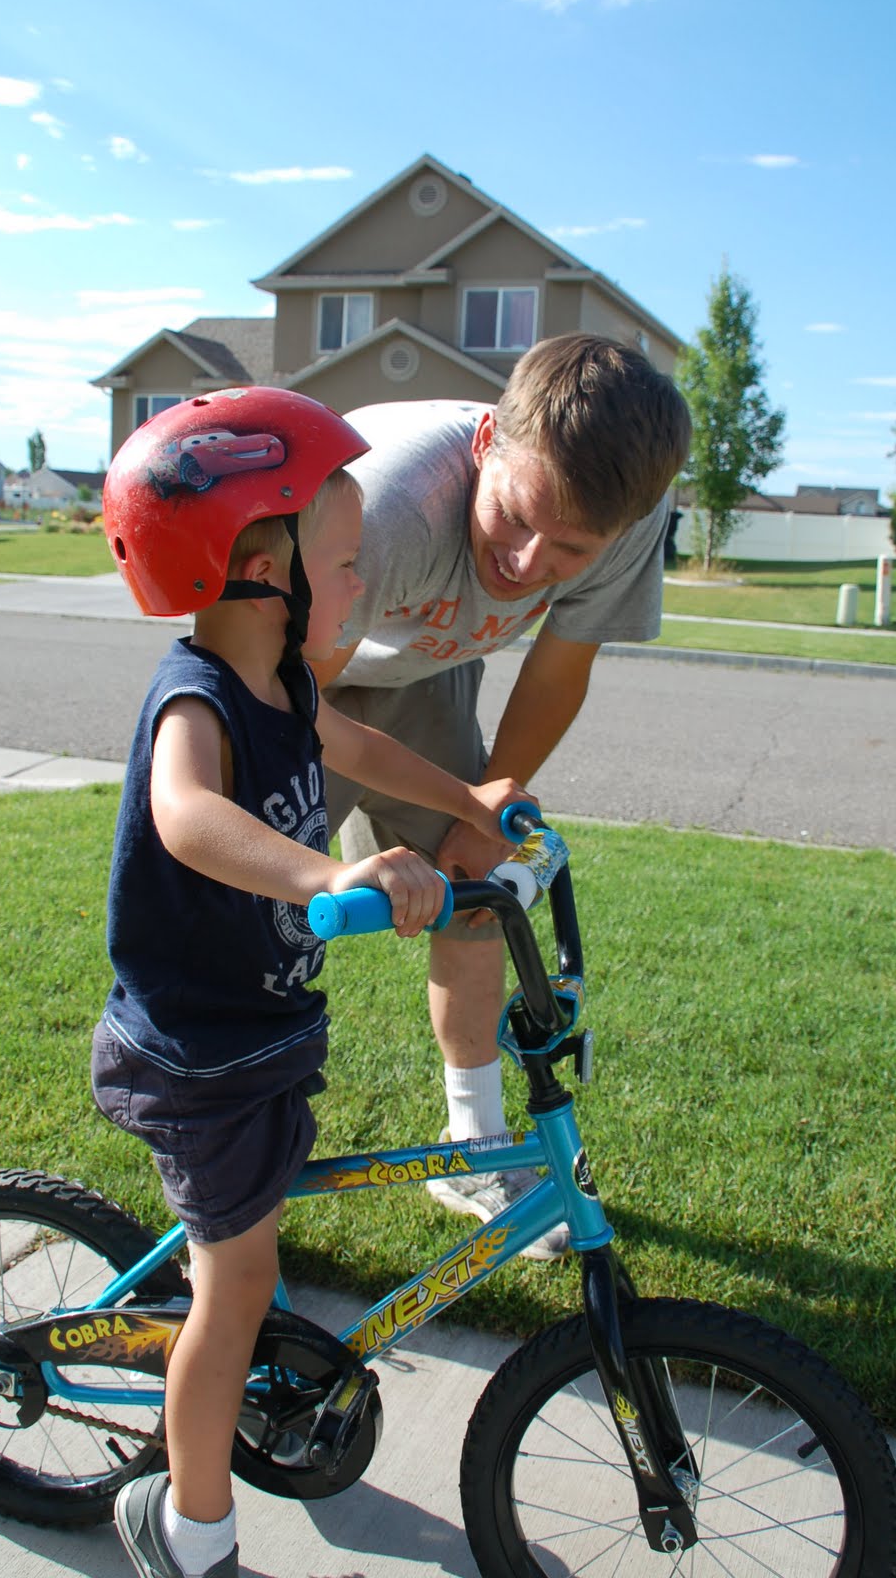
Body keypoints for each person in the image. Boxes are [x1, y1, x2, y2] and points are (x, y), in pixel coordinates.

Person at [91, 387, 531, 1578]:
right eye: (345, 564)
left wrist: (465, 802)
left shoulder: (288, 689)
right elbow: (186, 816)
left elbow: (368, 748)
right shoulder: (197, 696)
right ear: (253, 571)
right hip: (196, 1052)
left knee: (252, 1241)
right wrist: (321, 873)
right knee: (230, 1293)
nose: (365, 588)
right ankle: (187, 1530)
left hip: (262, 1030)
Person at [312, 334, 692, 1260]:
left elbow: (561, 667)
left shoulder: (628, 510)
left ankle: (472, 1147)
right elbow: (287, 692)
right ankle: (212, 1137)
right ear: (486, 440)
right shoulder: (388, 504)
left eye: (569, 547)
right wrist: (313, 863)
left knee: (476, 898)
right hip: (298, 686)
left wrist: (485, 807)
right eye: (515, 518)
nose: (525, 563)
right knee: (248, 906)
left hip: (422, 674)